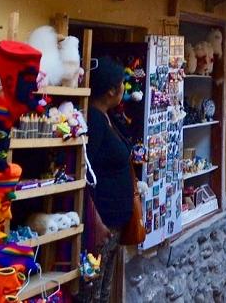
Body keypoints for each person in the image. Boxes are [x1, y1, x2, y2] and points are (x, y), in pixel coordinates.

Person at [83, 57, 136, 302]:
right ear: (111, 90)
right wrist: (96, 220)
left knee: (104, 288)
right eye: (122, 85)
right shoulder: (94, 120)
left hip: (115, 222)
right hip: (102, 224)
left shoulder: (108, 117)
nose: (124, 90)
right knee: (93, 288)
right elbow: (87, 170)